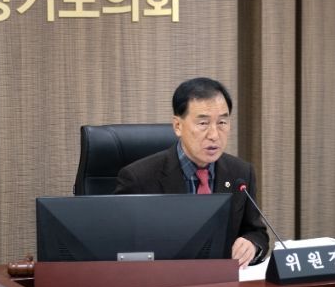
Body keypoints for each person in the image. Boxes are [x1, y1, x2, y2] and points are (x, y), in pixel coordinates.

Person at [114, 77, 269, 268]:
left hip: (224, 281)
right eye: (203, 123)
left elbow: (257, 232)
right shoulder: (139, 178)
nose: (214, 135)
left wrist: (252, 245)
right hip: (165, 280)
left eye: (222, 122)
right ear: (178, 126)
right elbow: (118, 244)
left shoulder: (240, 173)